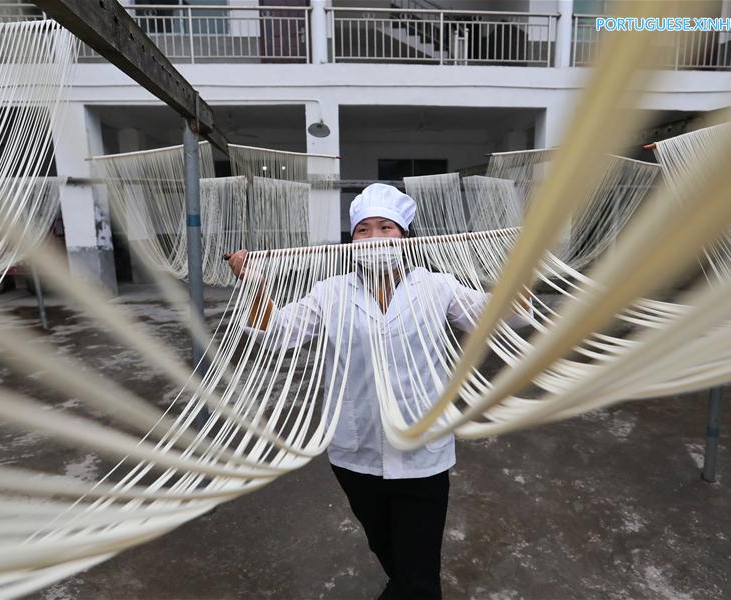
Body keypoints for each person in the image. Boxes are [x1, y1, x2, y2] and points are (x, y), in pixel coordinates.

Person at [224, 183, 532, 600]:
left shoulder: (436, 288)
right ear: (351, 239)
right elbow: (275, 332)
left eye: (385, 228)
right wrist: (253, 282)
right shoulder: (330, 293)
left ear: (405, 237)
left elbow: (502, 316)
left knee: (420, 576)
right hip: (356, 453)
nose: (373, 239)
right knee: (385, 547)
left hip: (422, 453)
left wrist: (524, 263)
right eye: (363, 230)